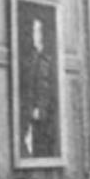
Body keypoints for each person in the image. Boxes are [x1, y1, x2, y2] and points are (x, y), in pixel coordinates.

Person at [20, 18, 57, 158]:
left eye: (37, 31)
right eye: (33, 31)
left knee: (44, 145)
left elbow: (49, 88)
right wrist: (32, 108)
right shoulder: (28, 59)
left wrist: (40, 108)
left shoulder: (50, 59)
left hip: (46, 113)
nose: (34, 35)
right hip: (30, 111)